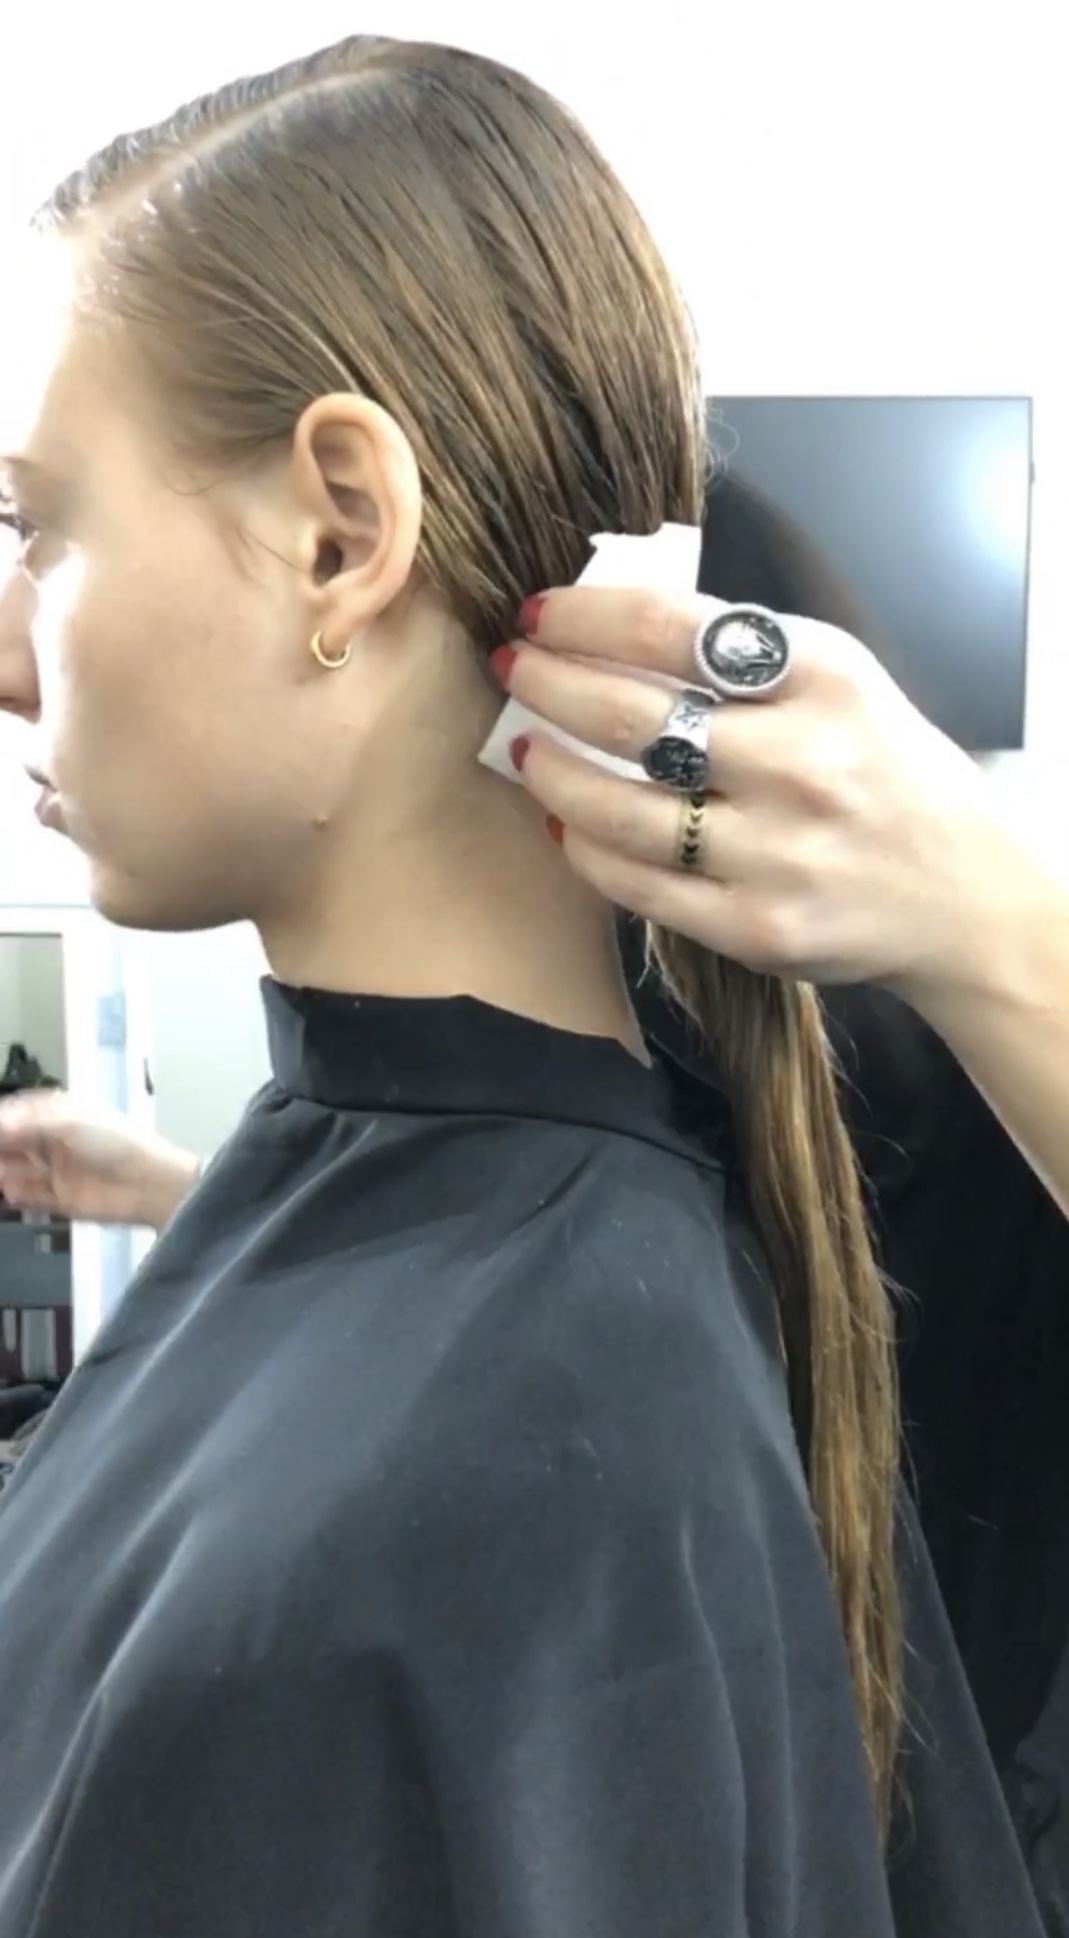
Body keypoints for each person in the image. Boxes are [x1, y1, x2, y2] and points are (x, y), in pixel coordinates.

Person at [0, 34, 1042, 1938]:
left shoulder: (548, 1449)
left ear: (341, 529)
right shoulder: (559, 1307)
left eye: (38, 526)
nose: (8, 647)